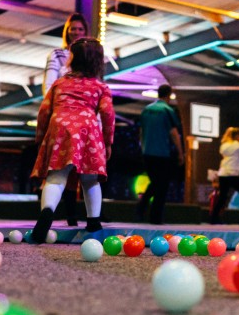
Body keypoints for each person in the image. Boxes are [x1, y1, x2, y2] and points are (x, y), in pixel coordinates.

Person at [30, 37, 115, 242]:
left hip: (60, 127)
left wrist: (40, 136)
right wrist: (108, 141)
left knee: (56, 177)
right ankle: (93, 221)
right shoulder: (100, 87)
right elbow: (107, 113)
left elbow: (44, 111)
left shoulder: (59, 83)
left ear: (72, 60)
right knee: (90, 179)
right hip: (88, 130)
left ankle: (47, 212)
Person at [44, 13, 89, 225]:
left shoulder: (90, 56)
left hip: (83, 120)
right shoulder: (57, 54)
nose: (77, 32)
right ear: (67, 31)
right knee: (57, 166)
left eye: (80, 29)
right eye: (73, 29)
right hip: (62, 116)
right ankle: (48, 212)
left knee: (80, 169)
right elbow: (49, 85)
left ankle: (75, 214)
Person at [136, 84, 184, 225]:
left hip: (147, 152)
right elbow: (174, 133)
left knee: (156, 182)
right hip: (162, 153)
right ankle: (154, 216)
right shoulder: (167, 110)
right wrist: (181, 153)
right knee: (162, 186)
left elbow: (141, 131)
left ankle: (143, 207)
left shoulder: (146, 109)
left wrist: (143, 147)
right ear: (169, 95)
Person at [209, 127, 239, 224]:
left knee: (223, 197)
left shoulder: (224, 145)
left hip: (223, 173)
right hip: (232, 173)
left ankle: (213, 218)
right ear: (237, 136)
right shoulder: (238, 145)